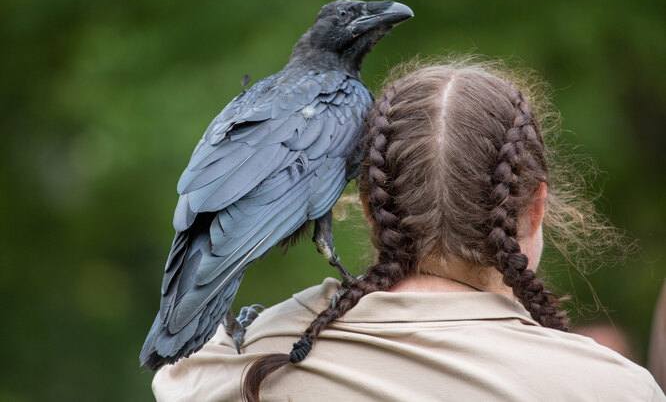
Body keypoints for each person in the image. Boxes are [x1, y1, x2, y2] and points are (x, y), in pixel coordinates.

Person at [152, 61, 665, 401]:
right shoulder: (613, 389)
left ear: (372, 210)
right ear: (534, 209)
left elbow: (177, 372)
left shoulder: (241, 366)